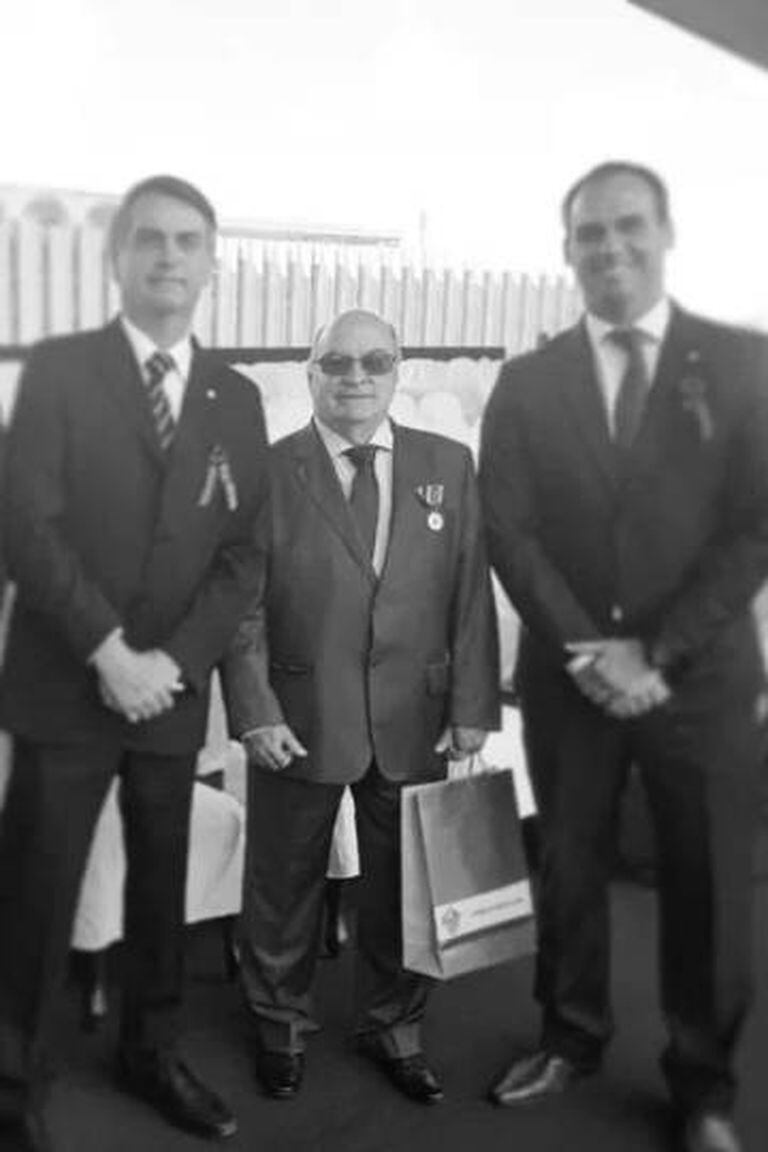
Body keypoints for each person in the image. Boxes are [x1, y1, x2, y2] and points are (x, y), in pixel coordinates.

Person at [478, 161, 768, 1152]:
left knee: (710, 889)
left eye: (628, 226)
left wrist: (656, 652)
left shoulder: (744, 364)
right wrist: (586, 653)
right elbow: (509, 531)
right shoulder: (527, 383)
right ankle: (570, 1037)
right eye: (590, 232)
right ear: (567, 250)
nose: (610, 247)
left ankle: (704, 1090)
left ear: (667, 232)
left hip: (701, 679)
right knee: (568, 870)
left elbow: (756, 529)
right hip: (570, 683)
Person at [0, 175, 269, 1151]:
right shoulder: (61, 370)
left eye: (188, 241)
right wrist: (110, 653)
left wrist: (174, 664)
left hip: (169, 697)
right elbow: (24, 526)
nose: (168, 256)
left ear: (212, 264)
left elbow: (243, 557)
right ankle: (11, 1083)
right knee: (36, 892)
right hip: (67, 683)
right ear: (116, 257)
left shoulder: (236, 398)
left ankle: (150, 1053)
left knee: (163, 888)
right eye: (149, 238)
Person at [222, 307, 499, 1105]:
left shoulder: (449, 462)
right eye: (336, 362)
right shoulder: (266, 471)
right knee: (282, 887)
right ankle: (279, 1026)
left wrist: (473, 705)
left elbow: (470, 593)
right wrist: (255, 711)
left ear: (397, 371)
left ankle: (394, 1027)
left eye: (374, 361)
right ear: (309, 374)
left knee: (409, 887)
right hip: (297, 718)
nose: (355, 377)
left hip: (418, 716)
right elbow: (241, 607)